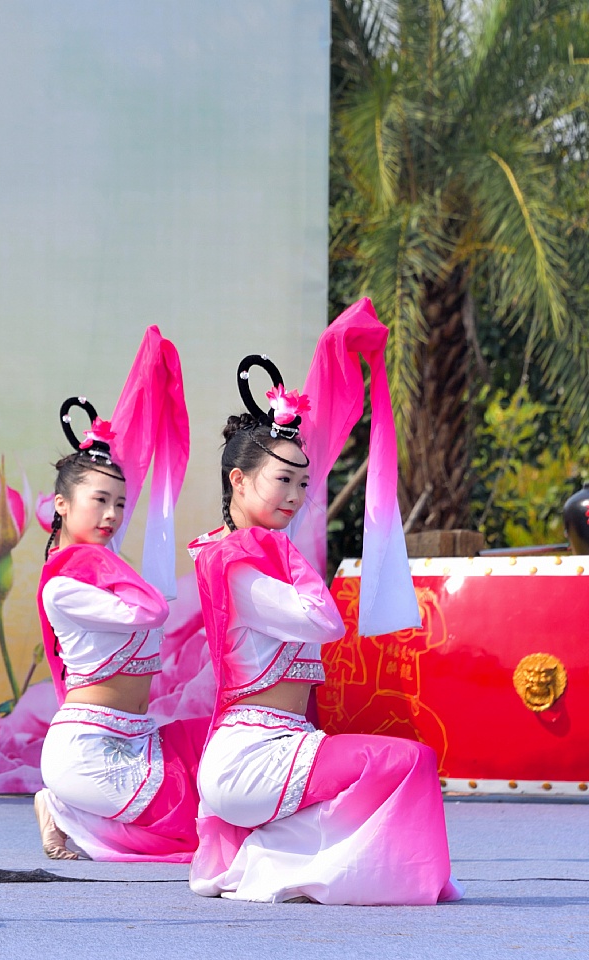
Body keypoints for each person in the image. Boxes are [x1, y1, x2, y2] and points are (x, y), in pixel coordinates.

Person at [187, 310, 462, 905]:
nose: (295, 496)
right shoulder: (234, 561)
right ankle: (267, 860)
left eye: (302, 483)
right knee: (409, 762)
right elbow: (324, 621)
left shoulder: (262, 553)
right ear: (238, 480)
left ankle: (263, 857)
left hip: (281, 743)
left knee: (399, 766)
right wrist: (287, 556)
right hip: (251, 755)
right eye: (281, 481)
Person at [34, 327, 208, 863]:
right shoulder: (65, 585)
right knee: (197, 835)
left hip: (139, 734)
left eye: (120, 504)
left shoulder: (105, 570)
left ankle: (75, 814)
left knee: (217, 761)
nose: (112, 515)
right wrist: (104, 561)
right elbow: (151, 609)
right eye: (99, 501)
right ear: (61, 505)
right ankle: (64, 808)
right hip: (89, 750)